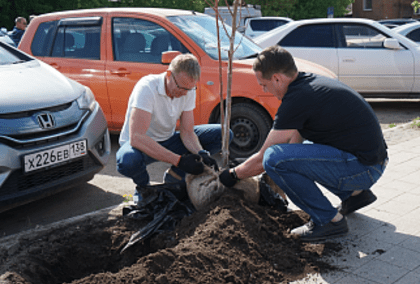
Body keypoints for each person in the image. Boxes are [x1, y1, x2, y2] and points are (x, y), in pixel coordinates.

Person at [219, 45, 388, 242]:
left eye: (263, 84)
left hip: (364, 168)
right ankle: (356, 195)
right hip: (372, 162)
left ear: (277, 78)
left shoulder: (297, 99)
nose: (264, 90)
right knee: (284, 158)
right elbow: (296, 139)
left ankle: (329, 221)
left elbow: (264, 158)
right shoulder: (309, 85)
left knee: (273, 159)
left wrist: (231, 175)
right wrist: (283, 172)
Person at [117, 53, 232, 203]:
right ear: (169, 75)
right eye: (181, 88)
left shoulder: (187, 89)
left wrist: (201, 153)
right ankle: (143, 188)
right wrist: (180, 161)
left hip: (168, 139)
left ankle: (174, 178)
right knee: (127, 160)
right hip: (141, 146)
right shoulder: (147, 88)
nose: (184, 93)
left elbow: (187, 132)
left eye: (189, 89)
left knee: (224, 134)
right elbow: (137, 137)